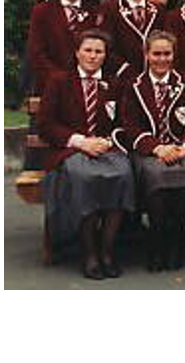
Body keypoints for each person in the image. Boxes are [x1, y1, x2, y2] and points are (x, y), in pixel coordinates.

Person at [37, 29, 135, 280]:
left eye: (98, 51)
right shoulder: (59, 81)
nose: (92, 56)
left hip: (106, 148)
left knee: (123, 173)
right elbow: (46, 124)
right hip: (71, 149)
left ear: (105, 55)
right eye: (88, 50)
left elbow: (125, 121)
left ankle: (107, 250)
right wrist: (81, 142)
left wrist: (106, 140)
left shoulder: (115, 84)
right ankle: (89, 253)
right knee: (83, 177)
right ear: (77, 52)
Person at [119, 31, 185, 272]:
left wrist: (184, 146)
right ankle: (157, 241)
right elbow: (130, 126)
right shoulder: (134, 86)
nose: (161, 59)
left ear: (174, 55)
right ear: (146, 55)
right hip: (151, 151)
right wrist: (157, 148)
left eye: (166, 54)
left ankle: (177, 240)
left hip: (183, 148)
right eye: (156, 54)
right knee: (156, 176)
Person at [26, 0, 101, 95]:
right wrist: (59, 79)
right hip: (51, 85)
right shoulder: (42, 11)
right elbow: (37, 52)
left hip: (88, 85)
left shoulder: (95, 10)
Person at [97, 0, 165, 83]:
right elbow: (105, 46)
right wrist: (124, 70)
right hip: (122, 79)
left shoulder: (159, 10)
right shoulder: (109, 9)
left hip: (154, 78)